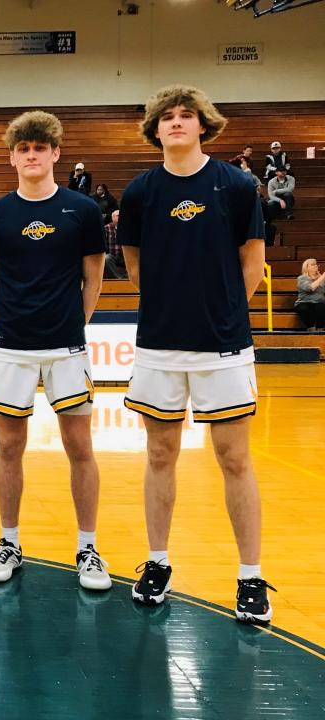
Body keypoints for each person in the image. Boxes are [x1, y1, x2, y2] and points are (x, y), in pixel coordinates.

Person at [118, 84, 271, 624]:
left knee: (234, 458)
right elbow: (133, 263)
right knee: (160, 455)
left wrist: (223, 311)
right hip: (160, 345)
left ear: (203, 125)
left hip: (223, 346)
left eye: (186, 115)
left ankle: (250, 576)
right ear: (154, 128)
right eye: (167, 116)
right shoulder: (139, 192)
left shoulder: (235, 185)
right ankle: (158, 562)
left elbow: (251, 263)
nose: (177, 123)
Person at [0, 111, 109, 590]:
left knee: (80, 447)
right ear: (12, 157)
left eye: (39, 148)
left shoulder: (82, 211)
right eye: (22, 149)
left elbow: (93, 278)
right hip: (12, 348)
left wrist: (75, 325)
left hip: (67, 348)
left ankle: (88, 548)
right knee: (9, 446)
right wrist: (4, 328)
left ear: (55, 153)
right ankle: (9, 541)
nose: (31, 155)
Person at [295, 258, 325, 330]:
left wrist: (321, 277)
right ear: (306, 268)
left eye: (316, 264)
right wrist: (323, 277)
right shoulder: (302, 278)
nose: (316, 266)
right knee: (304, 308)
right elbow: (310, 288)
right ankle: (311, 328)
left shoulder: (321, 278)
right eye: (312, 264)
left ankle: (321, 329)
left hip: (319, 302)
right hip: (304, 302)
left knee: (321, 307)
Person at [104, 210, 127, 279]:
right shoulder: (106, 228)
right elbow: (103, 244)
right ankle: (119, 278)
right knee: (106, 258)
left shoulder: (128, 228)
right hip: (112, 256)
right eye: (118, 216)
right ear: (112, 218)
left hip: (125, 256)